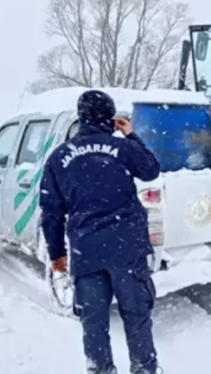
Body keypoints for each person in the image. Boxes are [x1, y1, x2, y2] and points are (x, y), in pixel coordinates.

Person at [39, 90, 162, 374]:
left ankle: (101, 369)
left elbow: (51, 211)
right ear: (110, 117)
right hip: (127, 248)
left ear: (81, 118)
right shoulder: (120, 147)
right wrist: (131, 135)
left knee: (93, 323)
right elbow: (151, 169)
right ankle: (145, 369)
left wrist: (57, 253)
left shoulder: (59, 157)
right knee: (136, 315)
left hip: (87, 251)